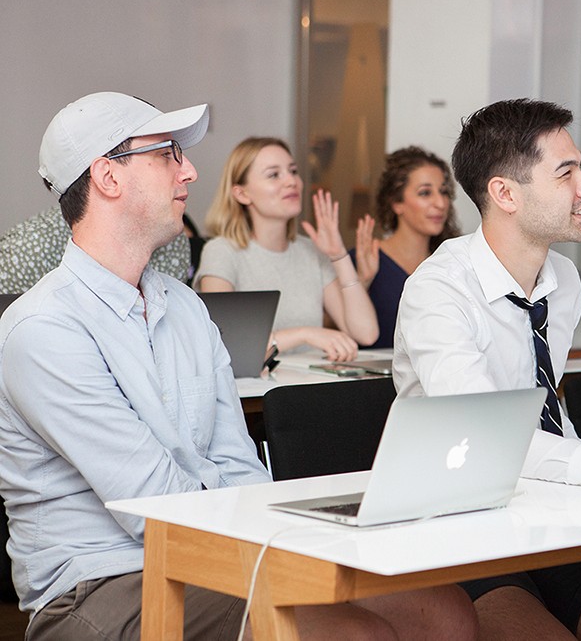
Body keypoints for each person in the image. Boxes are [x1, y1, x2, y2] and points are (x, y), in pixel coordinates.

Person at [0, 92, 474, 640]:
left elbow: (242, 469)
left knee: (444, 611)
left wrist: (297, 539)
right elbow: (152, 509)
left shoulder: (187, 309)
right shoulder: (43, 330)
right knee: (353, 633)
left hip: (209, 548)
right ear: (108, 176)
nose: (191, 171)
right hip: (101, 585)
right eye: (168, 154)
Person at [394, 98, 581, 641]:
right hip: (463, 525)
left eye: (579, 167)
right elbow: (487, 436)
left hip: (551, 512)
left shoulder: (563, 280)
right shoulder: (437, 290)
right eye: (566, 173)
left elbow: (544, 408)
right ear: (505, 193)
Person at [195, 137, 379, 361]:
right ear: (242, 194)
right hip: (257, 393)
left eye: (293, 171)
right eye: (274, 175)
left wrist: (338, 254)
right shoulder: (221, 251)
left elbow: (366, 334)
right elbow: (224, 343)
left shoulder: (312, 251)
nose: (291, 181)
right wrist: (304, 334)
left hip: (307, 386)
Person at [351, 146, 461, 348]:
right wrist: (361, 283)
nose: (440, 203)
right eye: (425, 193)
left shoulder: (453, 263)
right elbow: (334, 334)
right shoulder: (360, 260)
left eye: (444, 192)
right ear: (396, 203)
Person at [0, 205, 191, 292]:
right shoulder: (24, 252)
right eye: (164, 155)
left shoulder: (174, 243)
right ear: (107, 176)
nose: (188, 172)